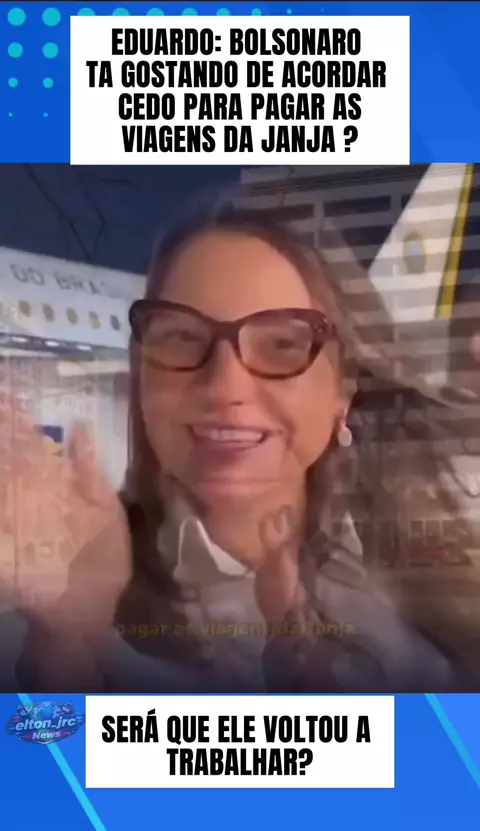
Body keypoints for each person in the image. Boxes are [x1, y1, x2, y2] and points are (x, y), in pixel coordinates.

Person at [1, 203, 479, 693]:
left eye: (282, 344)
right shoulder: (64, 585)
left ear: (345, 389)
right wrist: (69, 647)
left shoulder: (449, 552)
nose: (225, 386)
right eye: (182, 338)